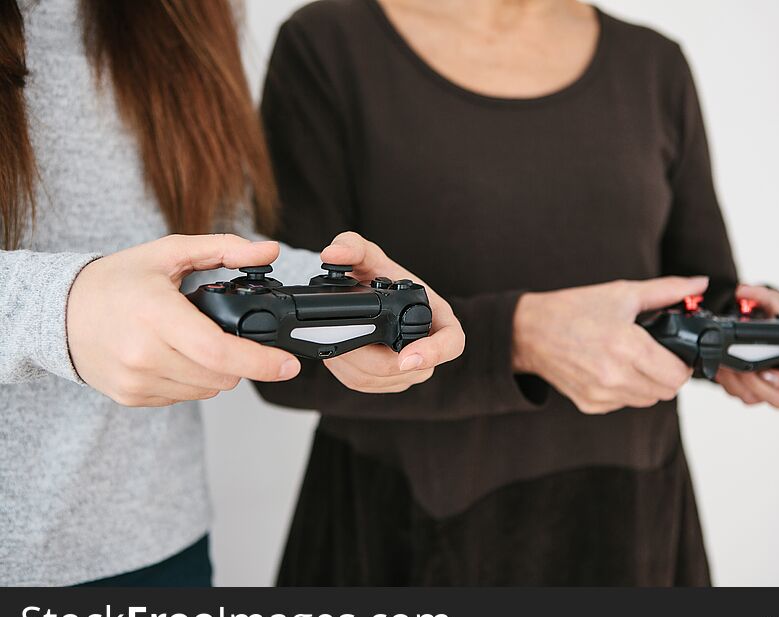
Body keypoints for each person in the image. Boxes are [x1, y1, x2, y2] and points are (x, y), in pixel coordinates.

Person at [256, 0, 779, 586]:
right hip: (404, 542)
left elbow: (704, 292)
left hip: (630, 533)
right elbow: (284, 350)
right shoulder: (327, 45)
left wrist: (754, 328)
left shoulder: (654, 66)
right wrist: (518, 339)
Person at [0, 0, 463, 587]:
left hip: (159, 547)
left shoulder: (182, 13)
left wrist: (340, 296)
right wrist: (61, 311)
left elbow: (213, 241)